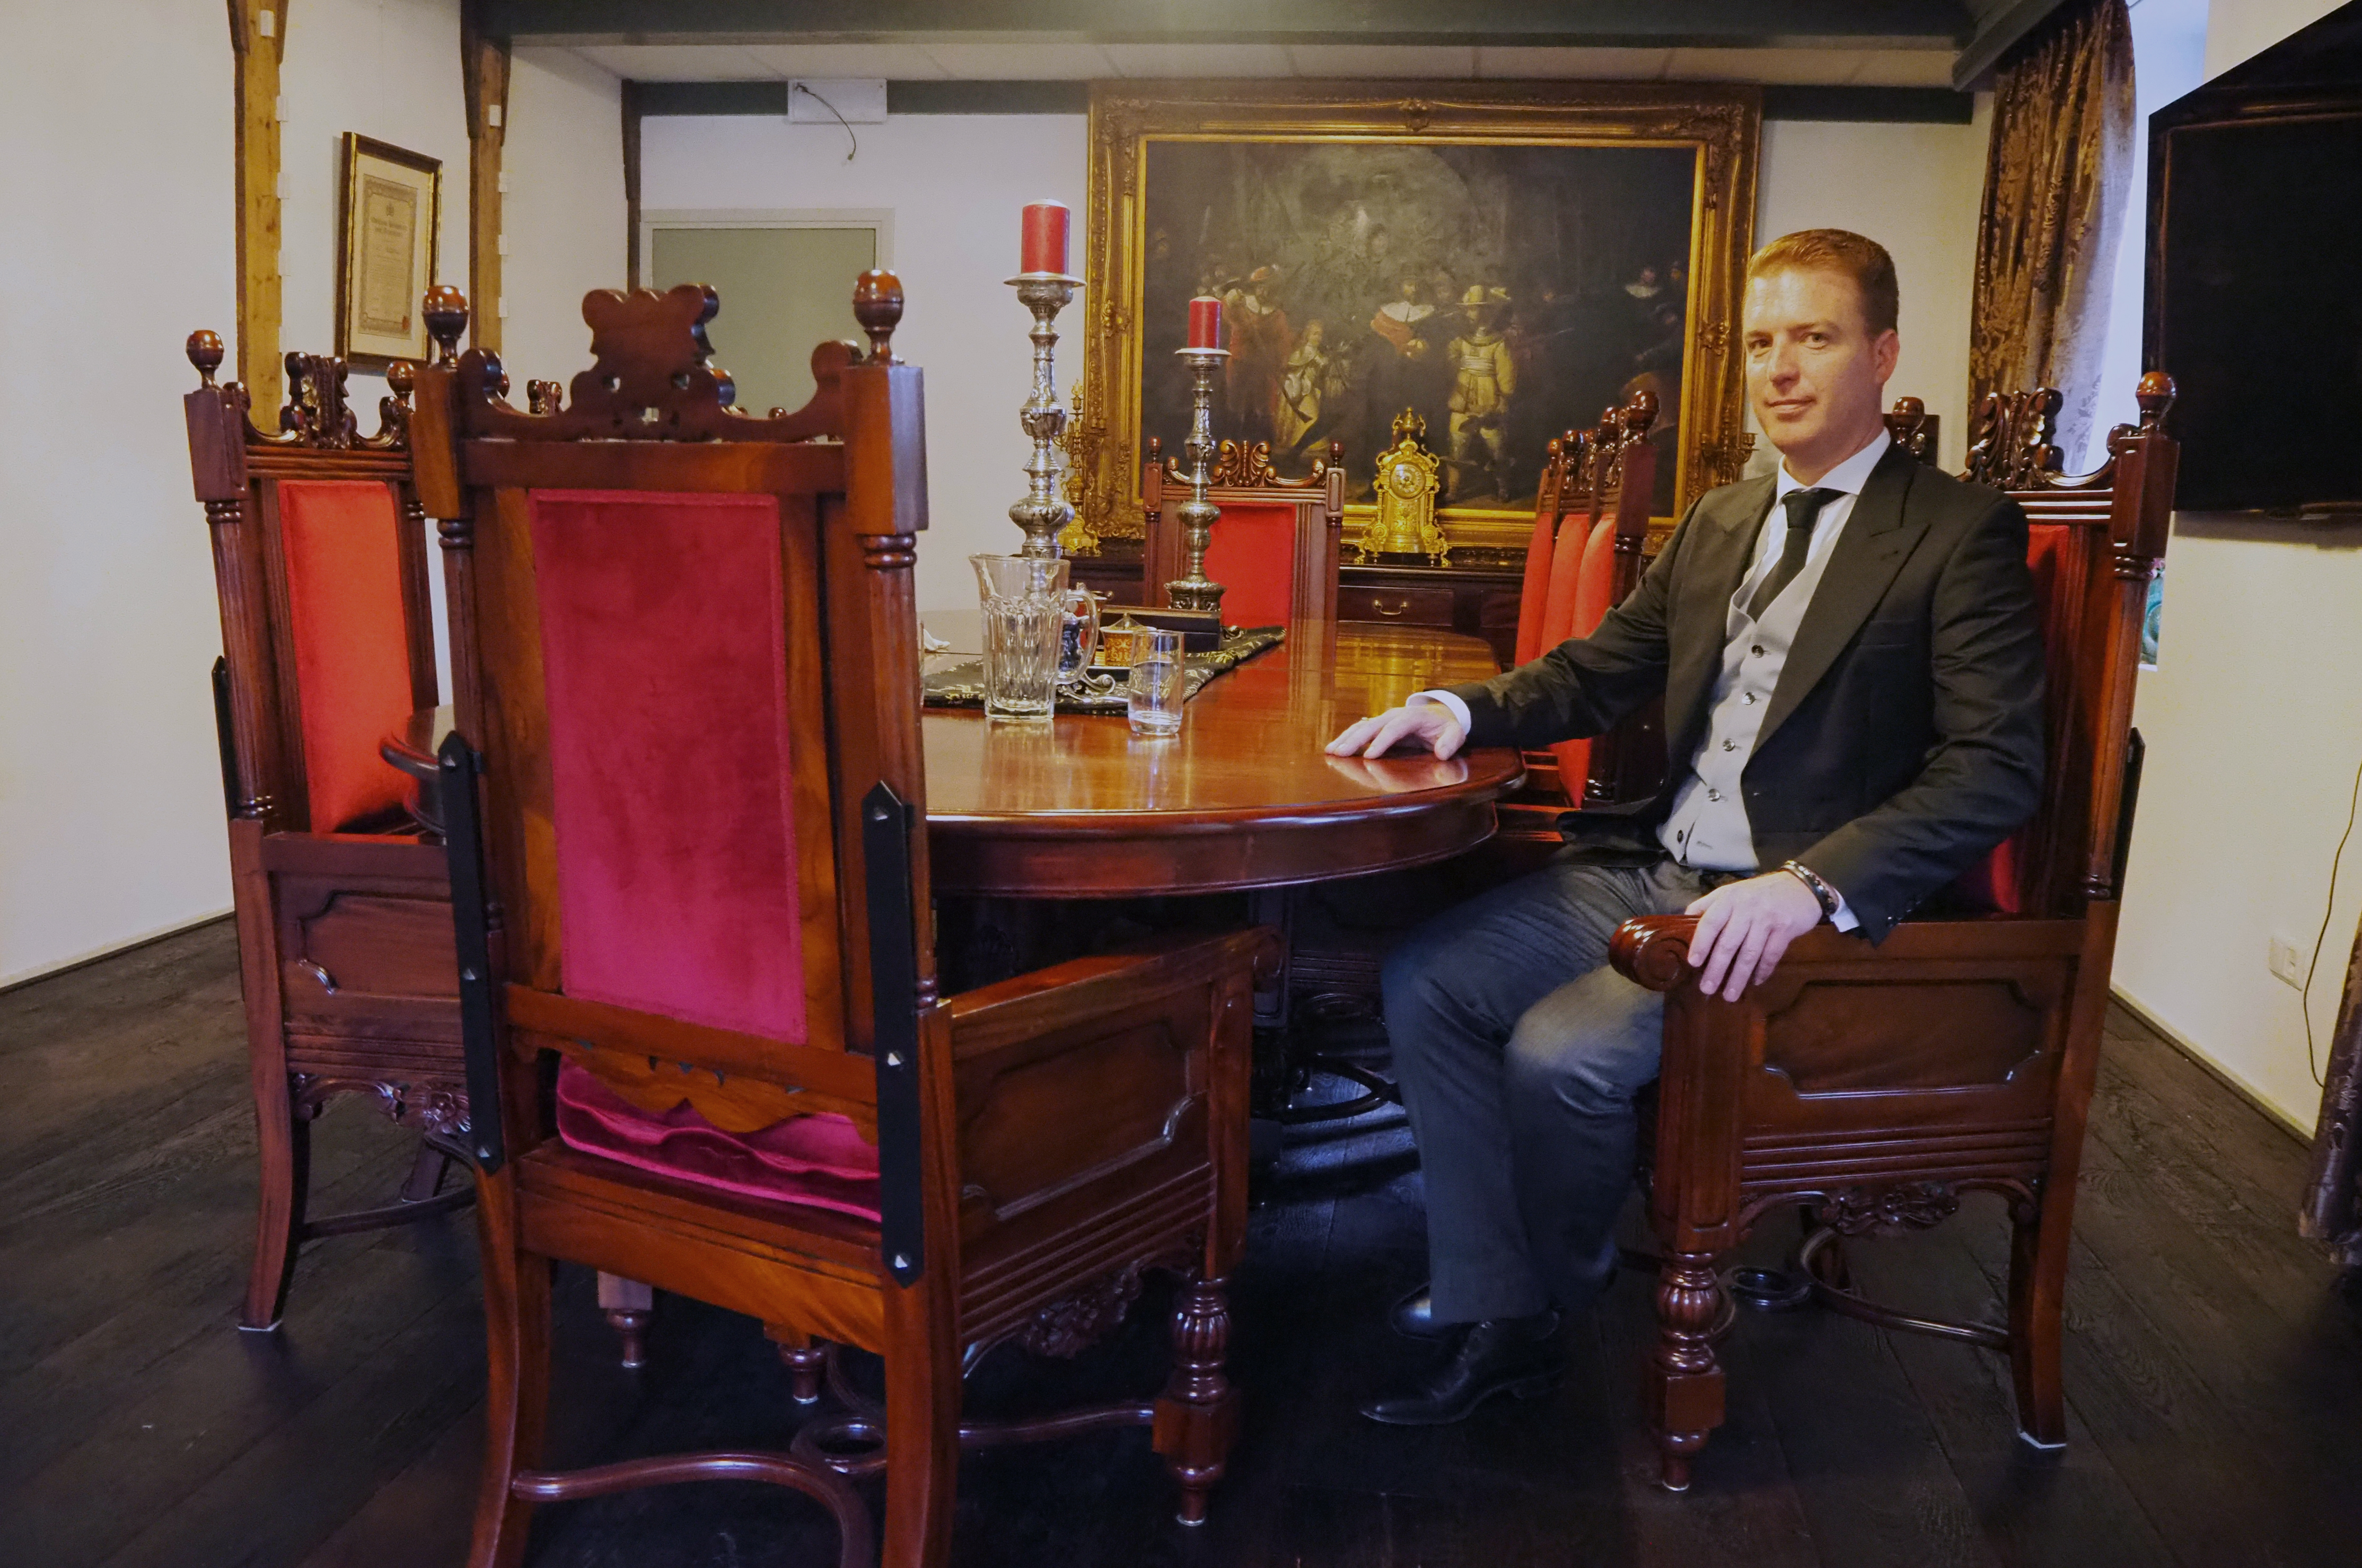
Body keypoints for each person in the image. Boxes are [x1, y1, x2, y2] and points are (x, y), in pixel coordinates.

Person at [1323, 228, 2045, 1426]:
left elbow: (1996, 766)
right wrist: (1452, 708)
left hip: (1788, 911)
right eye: (1761, 343)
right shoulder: (1721, 517)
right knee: (1424, 978)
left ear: (1880, 354)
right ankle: (1495, 1293)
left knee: (1560, 1057)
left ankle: (1535, 1308)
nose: (1779, 369)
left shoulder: (1956, 532)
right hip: (1654, 869)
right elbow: (1601, 668)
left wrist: (1811, 885)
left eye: (1812, 338)